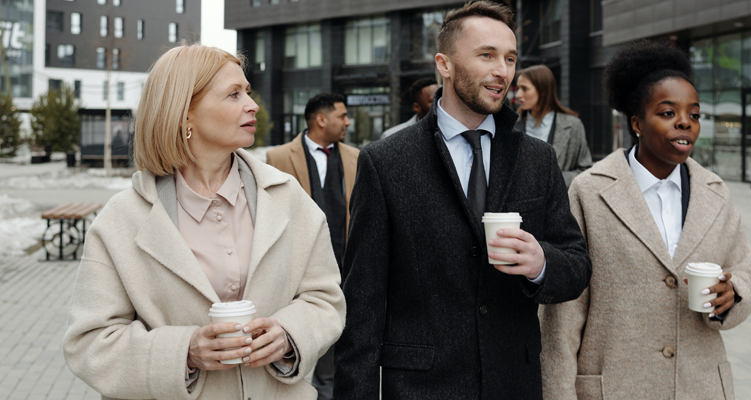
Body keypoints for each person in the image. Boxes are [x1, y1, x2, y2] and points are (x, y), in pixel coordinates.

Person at [334, 2, 592, 399]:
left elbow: (576, 266)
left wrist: (541, 263)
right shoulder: (385, 162)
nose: (502, 71)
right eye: (486, 55)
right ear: (445, 64)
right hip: (421, 388)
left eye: (509, 58)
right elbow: (363, 305)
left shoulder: (538, 158)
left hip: (513, 384)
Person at [63, 44, 345, 400]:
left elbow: (325, 298)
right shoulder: (122, 219)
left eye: (248, 91)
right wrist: (185, 352)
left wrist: (290, 334)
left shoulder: (288, 198)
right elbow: (89, 344)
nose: (252, 104)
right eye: (233, 94)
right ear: (185, 114)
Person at [538, 40, 751, 400]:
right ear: (636, 123)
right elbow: (562, 316)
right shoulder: (590, 193)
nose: (684, 124)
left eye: (694, 114)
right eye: (667, 113)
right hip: (614, 386)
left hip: (700, 385)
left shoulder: (715, 192)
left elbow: (748, 273)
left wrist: (732, 292)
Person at [266, 93, 359, 400]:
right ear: (321, 120)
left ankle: (328, 388)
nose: (348, 121)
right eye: (342, 116)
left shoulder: (356, 158)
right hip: (299, 265)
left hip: (346, 261)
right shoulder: (278, 158)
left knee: (338, 331)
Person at [515, 65, 593, 187]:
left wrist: (553, 178)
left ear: (543, 91)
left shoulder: (573, 126)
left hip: (558, 203)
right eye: (518, 88)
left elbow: (585, 171)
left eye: (524, 89)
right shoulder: (511, 126)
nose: (518, 94)